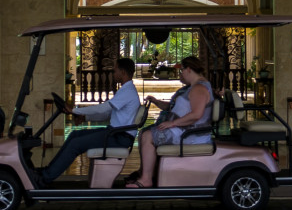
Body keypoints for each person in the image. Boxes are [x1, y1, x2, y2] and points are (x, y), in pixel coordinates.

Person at [37, 57, 143, 185]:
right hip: (115, 133)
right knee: (74, 135)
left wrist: (75, 110)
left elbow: (103, 108)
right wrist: (85, 118)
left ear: (123, 72)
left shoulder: (128, 91)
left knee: (76, 144)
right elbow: (107, 114)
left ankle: (44, 178)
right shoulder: (125, 90)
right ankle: (47, 171)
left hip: (119, 137)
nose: (113, 73)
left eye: (115, 71)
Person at [126, 56, 214, 189]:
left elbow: (196, 114)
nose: (181, 73)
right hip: (185, 131)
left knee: (148, 136)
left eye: (182, 70)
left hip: (190, 135)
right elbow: (175, 108)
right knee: (145, 132)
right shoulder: (194, 87)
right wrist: (157, 102)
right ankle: (147, 172)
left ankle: (146, 179)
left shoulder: (199, 88)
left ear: (189, 69)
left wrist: (173, 123)